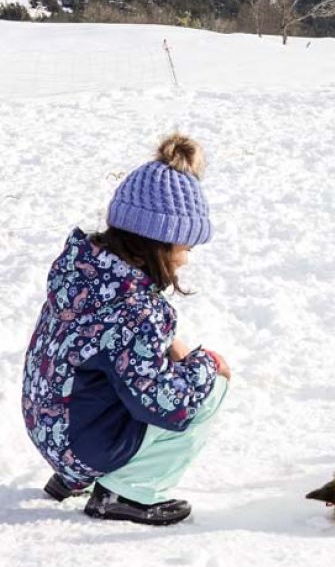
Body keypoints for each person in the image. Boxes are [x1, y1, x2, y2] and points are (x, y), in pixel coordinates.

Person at [21, 134, 231, 525]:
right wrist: (206, 365)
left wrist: (169, 346)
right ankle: (128, 493)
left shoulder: (82, 269)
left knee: (119, 379)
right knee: (210, 391)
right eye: (184, 246)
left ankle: (74, 479)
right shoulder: (138, 310)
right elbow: (165, 406)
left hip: (47, 427)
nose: (186, 258)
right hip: (80, 445)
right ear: (157, 244)